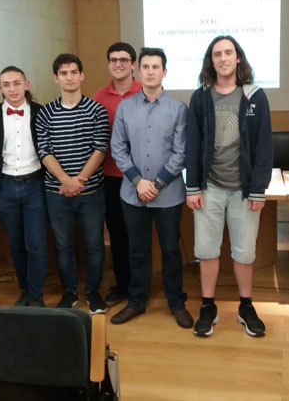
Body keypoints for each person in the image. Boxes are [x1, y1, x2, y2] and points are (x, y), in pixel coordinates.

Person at [186, 35, 273, 337]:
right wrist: (193, 187)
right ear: (211, 61)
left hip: (244, 190)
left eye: (228, 53)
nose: (223, 58)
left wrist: (259, 187)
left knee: (244, 252)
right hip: (209, 189)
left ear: (238, 58)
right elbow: (193, 144)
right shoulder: (200, 97)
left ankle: (245, 306)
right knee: (207, 250)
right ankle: (208, 306)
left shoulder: (255, 96)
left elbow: (264, 145)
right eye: (217, 54)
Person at [109, 48, 192, 328]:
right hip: (132, 194)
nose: (151, 71)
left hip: (167, 195)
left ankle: (176, 302)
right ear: (138, 71)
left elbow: (181, 153)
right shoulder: (125, 107)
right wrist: (138, 181)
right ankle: (136, 301)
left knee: (170, 249)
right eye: (145, 66)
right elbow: (118, 148)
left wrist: (155, 184)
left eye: (156, 67)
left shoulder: (179, 109)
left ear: (164, 72)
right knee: (137, 249)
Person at [36, 53, 110, 314]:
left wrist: (79, 181)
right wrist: (66, 181)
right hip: (57, 192)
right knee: (63, 244)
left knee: (93, 244)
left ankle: (93, 292)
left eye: (73, 72)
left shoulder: (96, 110)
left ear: (82, 75)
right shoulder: (45, 112)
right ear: (56, 78)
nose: (69, 77)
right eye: (63, 73)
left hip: (91, 192)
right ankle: (69, 292)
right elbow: (44, 151)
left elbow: (100, 149)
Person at [0, 66, 48, 307]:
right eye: (7, 84)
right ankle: (25, 289)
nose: (12, 89)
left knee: (37, 244)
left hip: (35, 185)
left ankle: (36, 295)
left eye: (17, 83)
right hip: (6, 188)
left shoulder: (42, 113)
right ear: (0, 88)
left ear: (26, 84)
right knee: (16, 244)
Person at [94, 42, 142, 307]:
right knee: (117, 234)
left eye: (124, 60)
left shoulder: (144, 91)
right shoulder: (99, 96)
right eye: (113, 60)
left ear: (133, 64)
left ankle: (140, 287)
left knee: (139, 235)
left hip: (142, 178)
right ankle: (122, 285)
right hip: (111, 177)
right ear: (108, 64)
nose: (119, 64)